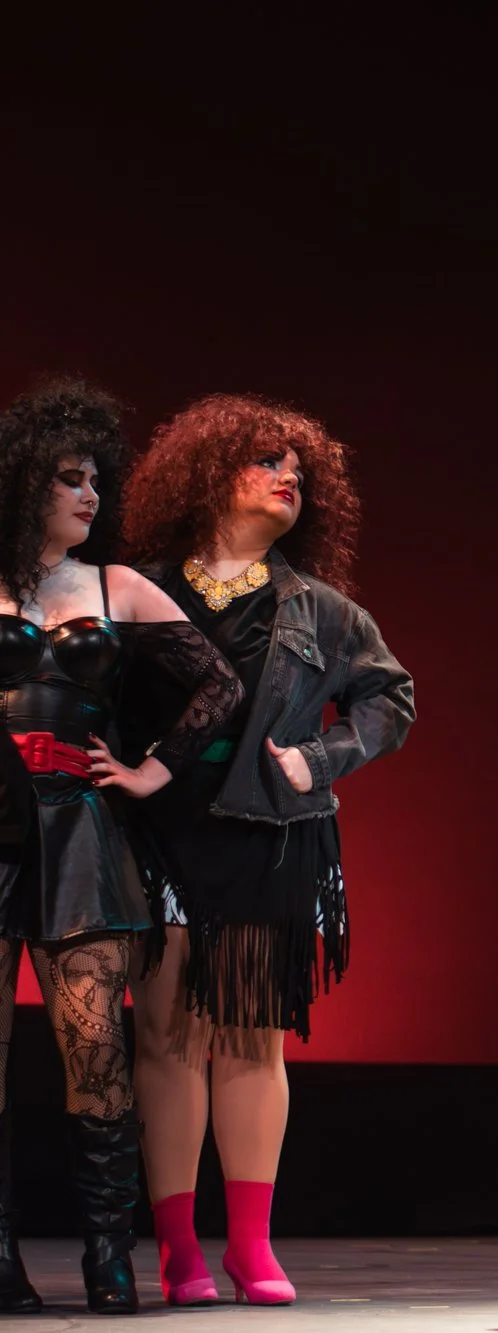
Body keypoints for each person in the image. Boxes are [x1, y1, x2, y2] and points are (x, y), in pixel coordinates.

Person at [118, 394, 416, 1306]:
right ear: (210, 476)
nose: (289, 477)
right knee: (167, 1039)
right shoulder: (139, 587)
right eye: (266, 462)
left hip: (269, 833)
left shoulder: (321, 608)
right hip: (162, 834)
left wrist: (320, 759)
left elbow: (390, 700)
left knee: (251, 1040)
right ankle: (177, 1249)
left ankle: (251, 1244)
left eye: (298, 468)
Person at [0, 381, 242, 1315]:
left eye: (96, 479)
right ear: (26, 484)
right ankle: (1, 1258)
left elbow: (216, 686)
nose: (90, 495)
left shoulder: (116, 585)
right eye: (70, 479)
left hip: (79, 830)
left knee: (94, 1044)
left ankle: (109, 1257)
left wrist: (151, 769)